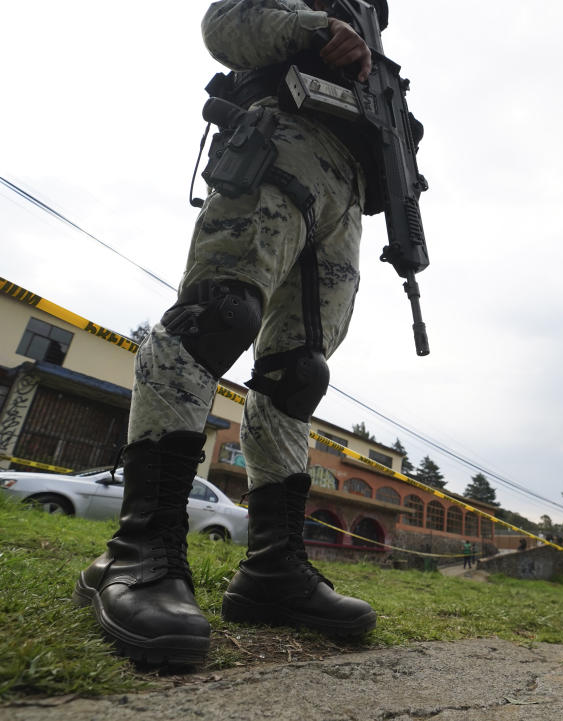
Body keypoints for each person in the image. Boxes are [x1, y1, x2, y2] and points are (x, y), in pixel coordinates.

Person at [73, 0, 392, 665]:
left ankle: (274, 570)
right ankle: (141, 552)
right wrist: (313, 29)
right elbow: (225, 22)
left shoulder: (375, 18)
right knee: (217, 316)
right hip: (279, 139)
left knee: (297, 376)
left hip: (347, 191)